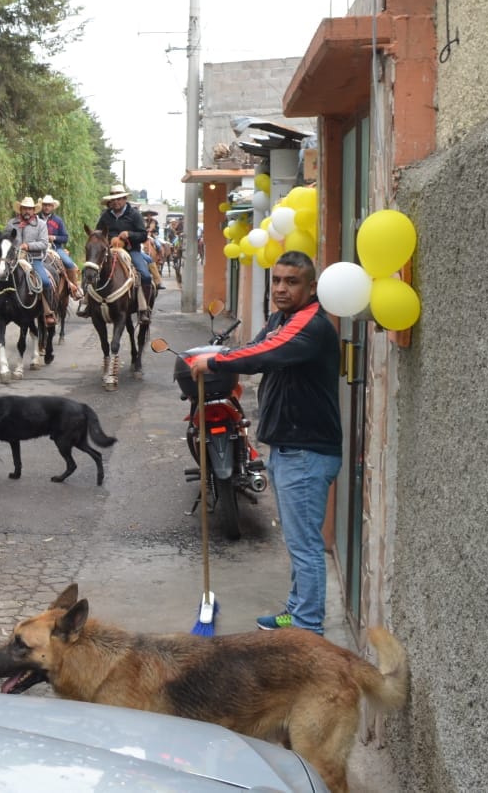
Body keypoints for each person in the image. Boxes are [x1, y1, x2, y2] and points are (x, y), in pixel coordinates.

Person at [189, 251, 340, 635]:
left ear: (311, 287)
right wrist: (220, 354)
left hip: (306, 451)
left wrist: (215, 363)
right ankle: (295, 611)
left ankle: (308, 632)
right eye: (276, 281)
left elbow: (262, 354)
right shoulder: (280, 319)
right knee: (297, 542)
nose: (280, 288)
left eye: (291, 282)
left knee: (306, 547)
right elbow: (253, 347)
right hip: (288, 448)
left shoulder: (310, 325)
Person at [0, 196, 56, 327]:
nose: (27, 211)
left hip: (34, 259)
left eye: (29, 209)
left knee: (45, 281)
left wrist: (28, 246)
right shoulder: (12, 223)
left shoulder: (41, 224)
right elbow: (6, 240)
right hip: (13, 259)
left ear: (34, 210)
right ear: (20, 209)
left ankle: (48, 312)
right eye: (25, 208)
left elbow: (44, 243)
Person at [94, 185, 153, 321]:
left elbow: (143, 235)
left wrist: (129, 234)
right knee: (92, 270)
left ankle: (144, 309)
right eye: (113, 200)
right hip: (110, 251)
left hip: (131, 251)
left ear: (125, 199)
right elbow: (98, 234)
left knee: (144, 275)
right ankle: (88, 303)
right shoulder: (105, 216)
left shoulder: (134, 215)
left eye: (119, 199)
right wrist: (109, 239)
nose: (116, 202)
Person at [38, 195, 83, 299]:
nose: (46, 207)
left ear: (53, 207)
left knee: (69, 263)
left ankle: (74, 289)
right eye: (45, 205)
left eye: (49, 205)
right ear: (42, 206)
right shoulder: (35, 218)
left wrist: (53, 237)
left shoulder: (58, 220)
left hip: (55, 248)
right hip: (38, 248)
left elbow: (65, 238)